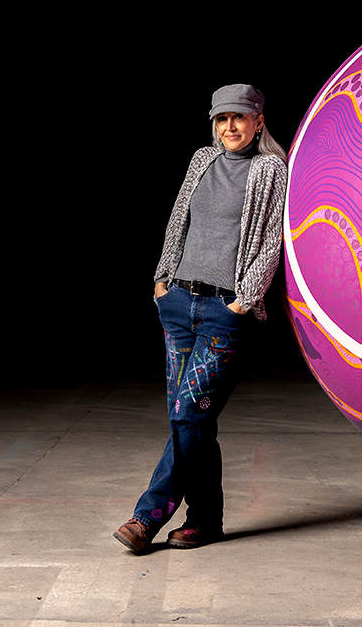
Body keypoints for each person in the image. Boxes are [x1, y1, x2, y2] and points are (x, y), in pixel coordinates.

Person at [115, 83, 289, 554]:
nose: (229, 127)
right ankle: (205, 521)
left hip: (223, 311)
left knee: (188, 413)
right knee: (191, 420)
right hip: (178, 304)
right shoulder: (201, 161)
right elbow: (178, 221)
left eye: (239, 118)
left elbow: (272, 240)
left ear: (258, 122)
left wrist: (243, 300)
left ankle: (146, 518)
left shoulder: (271, 168)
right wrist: (161, 281)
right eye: (221, 119)